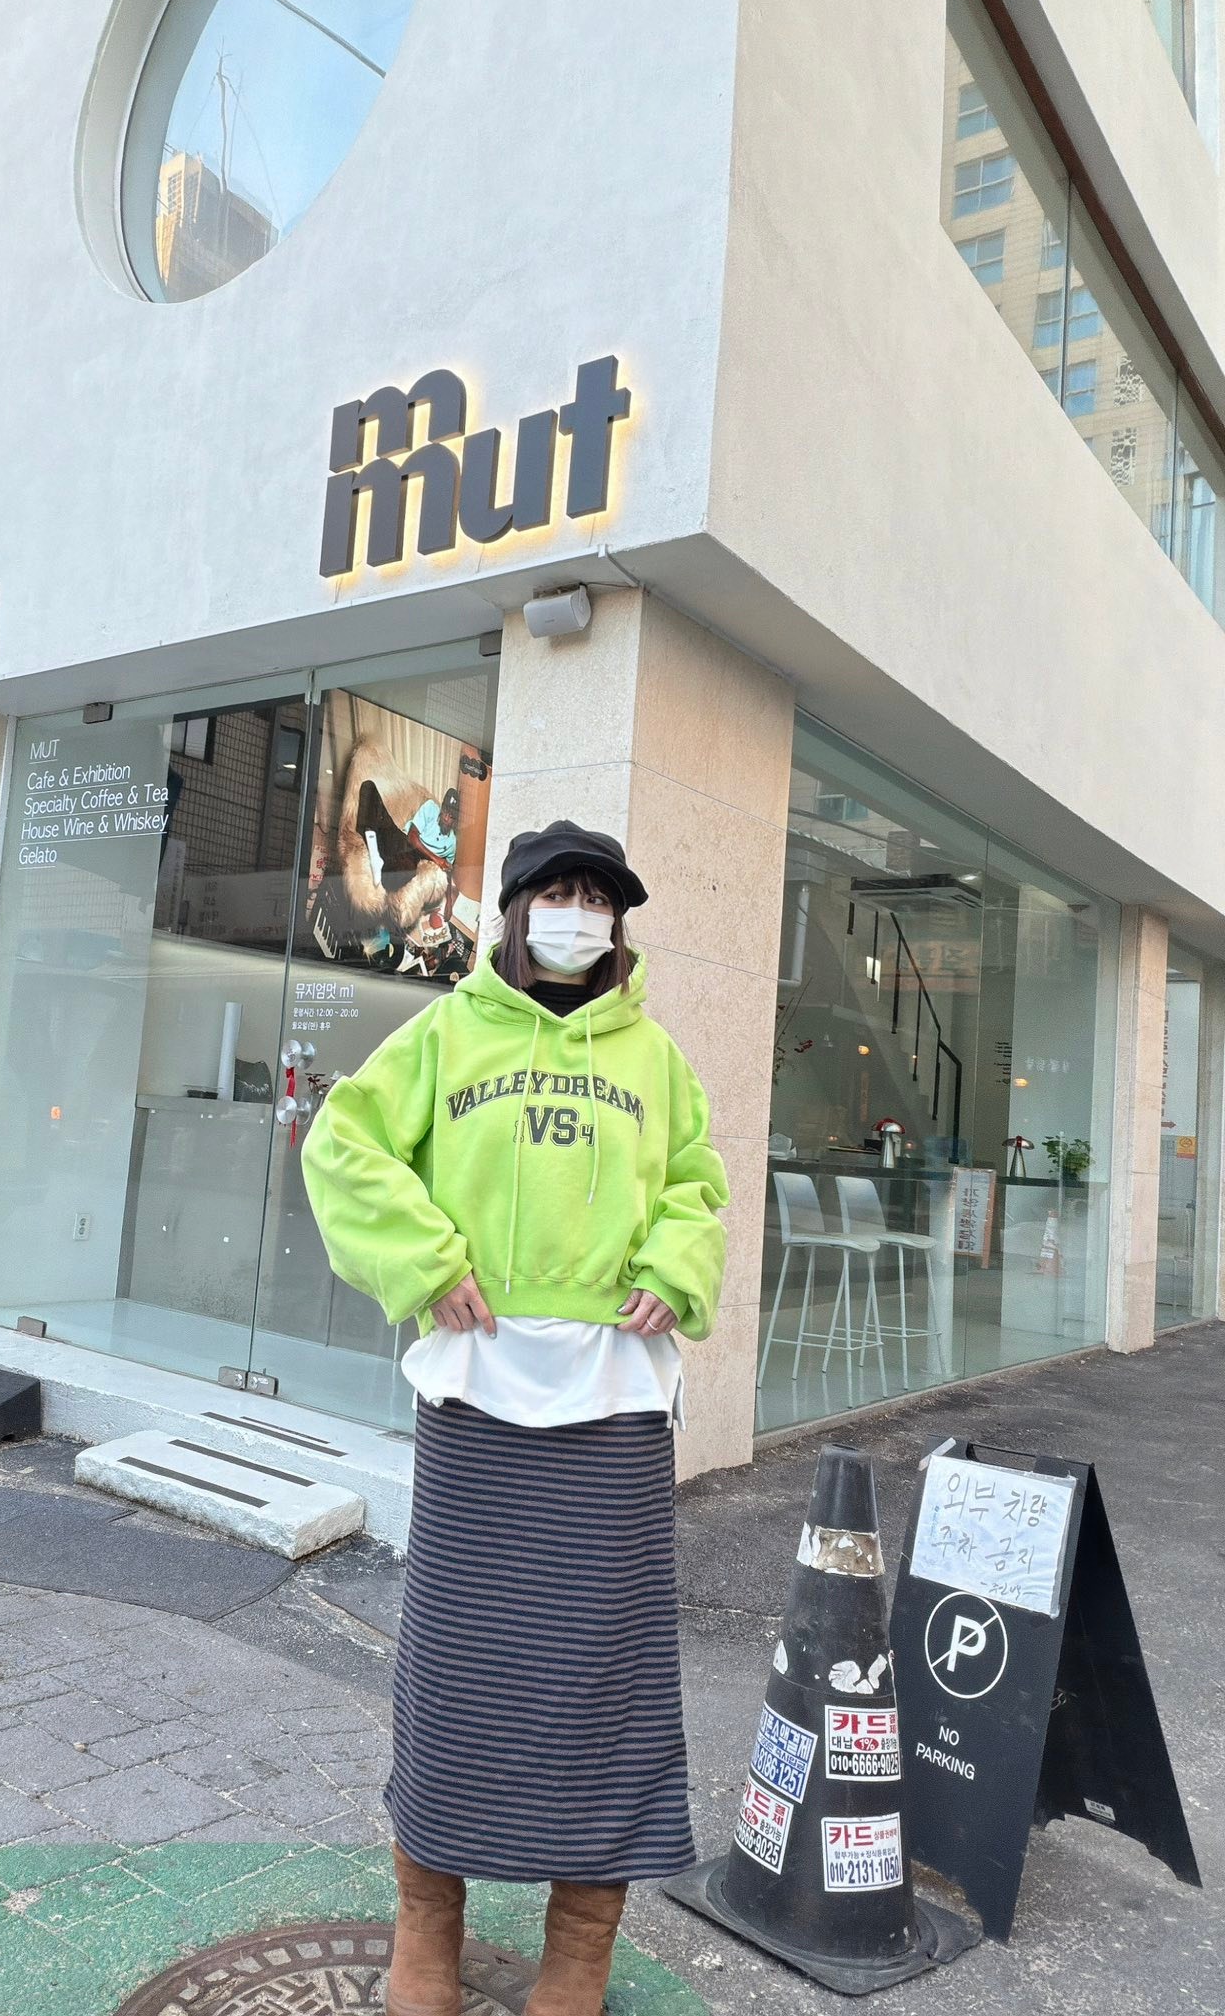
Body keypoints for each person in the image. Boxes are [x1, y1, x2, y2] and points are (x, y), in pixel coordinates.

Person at [302, 820, 729, 2016]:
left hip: (615, 1399)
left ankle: (580, 1947)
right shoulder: (445, 1032)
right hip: (477, 1390)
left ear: (617, 923)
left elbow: (698, 1182)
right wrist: (426, 1261)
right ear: (515, 911)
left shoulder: (656, 1057)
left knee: (606, 1676)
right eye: (559, 891)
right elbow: (344, 1144)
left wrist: (676, 1264)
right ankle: (426, 1923)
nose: (579, 912)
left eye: (599, 897)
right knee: (458, 1664)